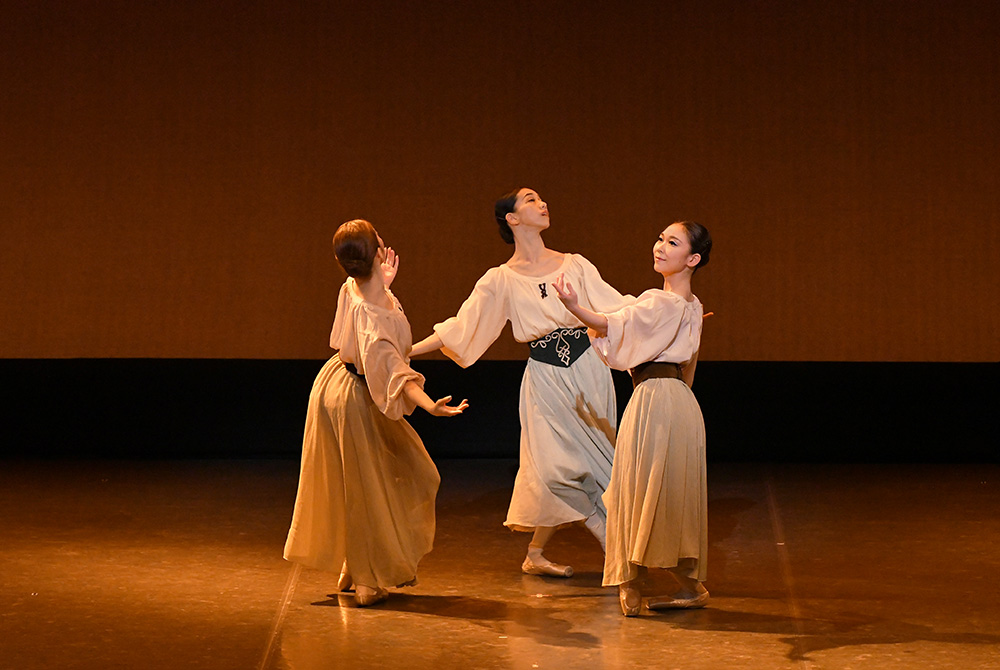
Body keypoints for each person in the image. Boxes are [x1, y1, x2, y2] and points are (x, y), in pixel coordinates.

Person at [410, 188, 632, 577]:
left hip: (588, 372)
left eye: (542, 199)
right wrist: (405, 351)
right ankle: (610, 540)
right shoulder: (502, 279)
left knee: (597, 464)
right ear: (511, 219)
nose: (542, 204)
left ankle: (535, 553)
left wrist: (668, 317)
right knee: (554, 468)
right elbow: (461, 327)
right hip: (545, 379)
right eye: (530, 200)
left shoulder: (575, 265)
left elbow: (617, 307)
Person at [283, 219, 468, 607]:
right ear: (378, 254)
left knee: (359, 481)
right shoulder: (374, 315)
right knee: (376, 484)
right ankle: (367, 580)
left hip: (333, 382)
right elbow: (393, 370)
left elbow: (372, 334)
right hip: (356, 397)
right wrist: (429, 404)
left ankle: (353, 565)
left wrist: (382, 282)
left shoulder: (352, 287)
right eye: (381, 242)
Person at [553, 221, 712, 616]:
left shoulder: (661, 302)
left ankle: (635, 582)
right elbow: (685, 364)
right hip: (679, 402)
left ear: (692, 258)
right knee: (665, 491)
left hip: (657, 399)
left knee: (638, 488)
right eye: (660, 238)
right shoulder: (690, 307)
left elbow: (611, 324)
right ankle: (683, 584)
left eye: (672, 242)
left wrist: (574, 307)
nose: (660, 246)